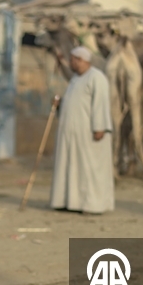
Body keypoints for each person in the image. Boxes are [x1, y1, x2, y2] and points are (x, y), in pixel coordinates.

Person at [49, 46, 114, 214]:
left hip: (89, 135)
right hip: (72, 136)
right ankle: (69, 202)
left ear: (81, 60)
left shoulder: (97, 78)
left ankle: (92, 205)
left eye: (72, 60)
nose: (70, 63)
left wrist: (100, 127)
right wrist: (59, 104)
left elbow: (100, 104)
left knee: (89, 171)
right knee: (70, 169)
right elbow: (76, 104)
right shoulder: (75, 80)